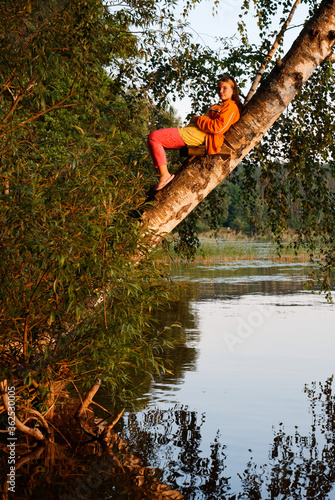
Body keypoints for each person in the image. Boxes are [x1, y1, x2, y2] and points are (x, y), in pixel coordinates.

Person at [147, 75, 243, 190]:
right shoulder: (221, 105)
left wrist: (198, 119)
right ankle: (162, 177)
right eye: (219, 88)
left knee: (154, 138)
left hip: (201, 136)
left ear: (233, 91)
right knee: (154, 142)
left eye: (225, 88)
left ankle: (164, 176)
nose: (221, 91)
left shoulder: (231, 107)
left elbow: (218, 128)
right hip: (193, 132)